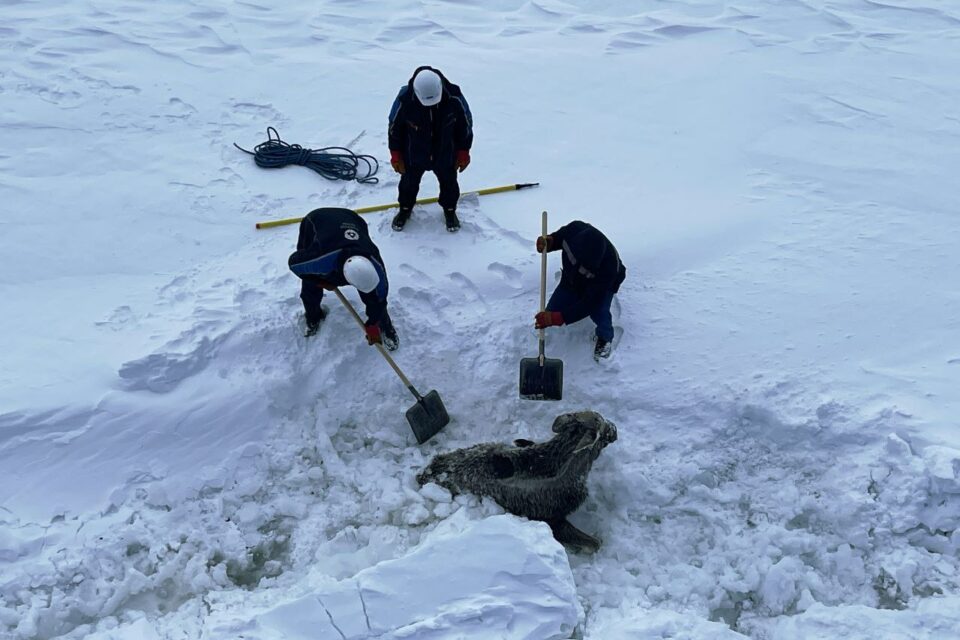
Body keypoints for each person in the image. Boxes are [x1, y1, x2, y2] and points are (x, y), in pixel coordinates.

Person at [288, 207, 399, 350]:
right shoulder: (321, 260)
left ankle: (384, 325)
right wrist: (320, 282)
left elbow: (378, 300)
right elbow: (294, 264)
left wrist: (372, 325)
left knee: (376, 298)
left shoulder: (376, 267)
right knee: (310, 287)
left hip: (354, 220)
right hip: (315, 221)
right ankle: (313, 316)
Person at [388, 66, 473, 233]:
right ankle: (405, 209)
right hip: (413, 153)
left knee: (449, 183)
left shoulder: (454, 97)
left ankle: (450, 210)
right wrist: (396, 155)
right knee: (408, 184)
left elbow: (465, 125)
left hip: (445, 152)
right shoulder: (404, 99)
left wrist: (463, 151)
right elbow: (394, 128)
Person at [534, 221, 626, 361]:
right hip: (571, 279)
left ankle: (605, 337)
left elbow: (590, 303)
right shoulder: (574, 229)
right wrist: (549, 242)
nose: (585, 270)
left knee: (599, 311)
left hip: (602, 287)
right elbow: (558, 238)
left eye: (587, 269)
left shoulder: (608, 269)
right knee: (552, 309)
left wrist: (560, 318)